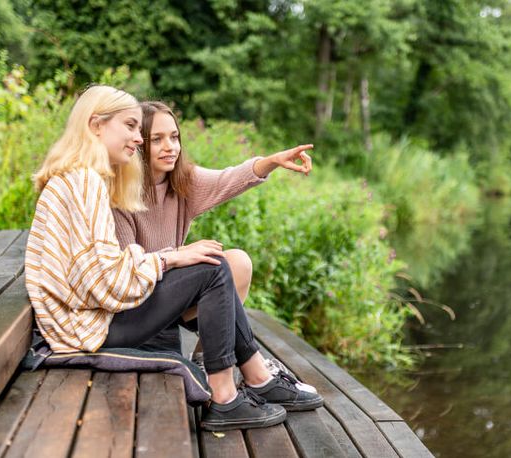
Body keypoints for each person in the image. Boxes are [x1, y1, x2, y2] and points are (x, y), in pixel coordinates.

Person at [24, 85, 321, 432]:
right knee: (214, 268)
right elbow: (106, 284)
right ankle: (227, 398)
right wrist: (172, 258)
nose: (137, 139)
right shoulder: (88, 183)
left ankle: (253, 380)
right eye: (132, 127)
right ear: (96, 126)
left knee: (218, 262)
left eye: (142, 130)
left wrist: (174, 257)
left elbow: (100, 276)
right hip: (89, 329)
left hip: (84, 322)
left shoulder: (81, 178)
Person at [112, 102, 312, 373]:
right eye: (157, 139)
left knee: (237, 262)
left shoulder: (182, 182)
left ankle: (206, 360)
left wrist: (273, 161)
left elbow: (230, 178)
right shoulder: (121, 193)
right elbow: (125, 272)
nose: (170, 146)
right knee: (208, 265)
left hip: (175, 292)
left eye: (174, 137)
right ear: (137, 143)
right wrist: (178, 256)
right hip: (138, 303)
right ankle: (250, 374)